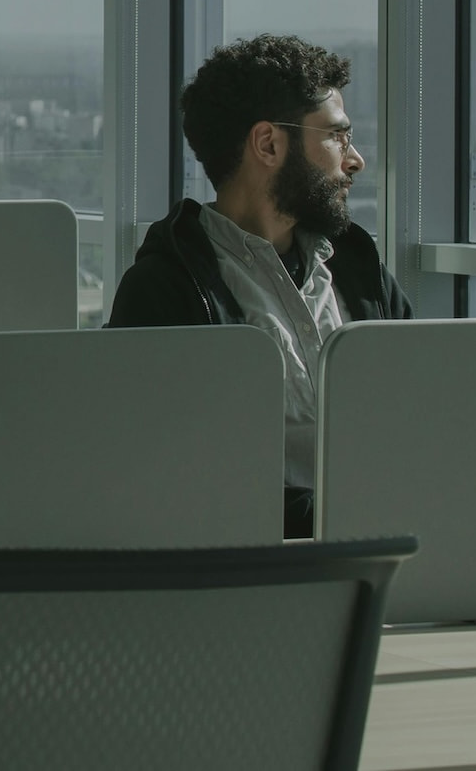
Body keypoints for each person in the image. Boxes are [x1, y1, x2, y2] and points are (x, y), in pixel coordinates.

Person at [108, 34, 410, 538]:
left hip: (390, 547)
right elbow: (172, 478)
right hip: (251, 573)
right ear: (268, 143)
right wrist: (335, 517)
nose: (354, 159)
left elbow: (423, 413)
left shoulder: (358, 268)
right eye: (336, 136)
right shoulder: (164, 290)